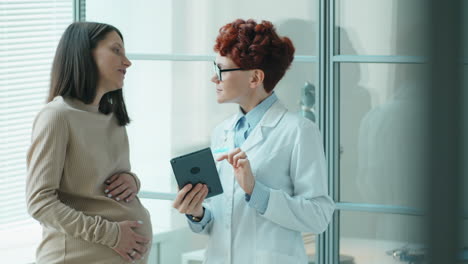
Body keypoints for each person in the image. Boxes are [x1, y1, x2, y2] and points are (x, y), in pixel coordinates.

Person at [172, 19, 335, 264]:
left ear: (255, 77)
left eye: (221, 70)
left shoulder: (299, 131)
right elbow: (223, 218)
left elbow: (319, 217)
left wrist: (255, 190)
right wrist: (197, 213)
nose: (213, 79)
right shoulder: (222, 132)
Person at [26, 22, 152, 264]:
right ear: (85, 54)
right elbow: (39, 202)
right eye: (116, 51)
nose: (127, 62)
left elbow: (97, 185)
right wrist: (112, 234)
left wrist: (132, 181)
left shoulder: (112, 117)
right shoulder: (57, 116)